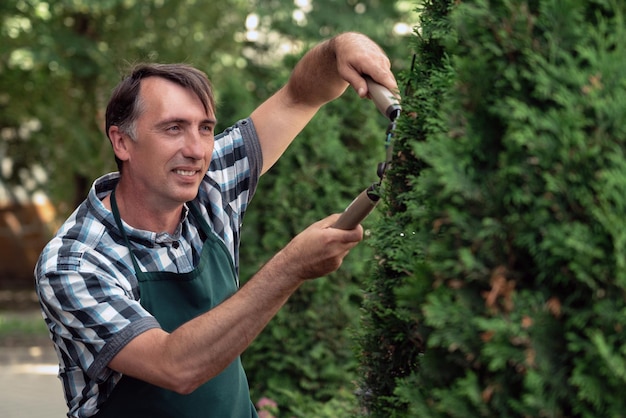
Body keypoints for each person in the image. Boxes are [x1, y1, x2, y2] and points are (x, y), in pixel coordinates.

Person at [35, 31, 397, 417]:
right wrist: (291, 267)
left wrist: (340, 49)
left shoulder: (212, 186)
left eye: (205, 128)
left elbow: (299, 96)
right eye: (173, 128)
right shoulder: (74, 263)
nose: (195, 150)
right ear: (121, 142)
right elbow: (174, 367)